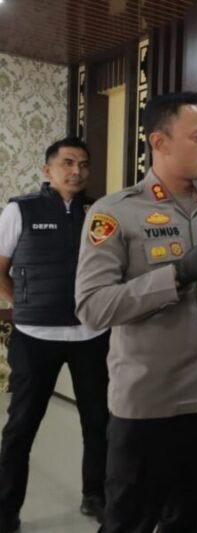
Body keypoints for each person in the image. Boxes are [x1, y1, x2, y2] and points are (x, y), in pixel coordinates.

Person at [74, 91, 197, 533]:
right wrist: (175, 276)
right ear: (161, 142)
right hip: (147, 410)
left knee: (192, 521)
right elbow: (92, 307)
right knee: (130, 524)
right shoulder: (116, 213)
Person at [0, 137, 110, 533]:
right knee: (21, 427)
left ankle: (94, 495)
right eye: (67, 163)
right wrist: (22, 305)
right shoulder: (21, 210)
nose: (76, 170)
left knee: (99, 423)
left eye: (83, 164)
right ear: (48, 170)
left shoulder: (100, 213)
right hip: (34, 336)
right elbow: (0, 267)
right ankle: (6, 509)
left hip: (91, 335)